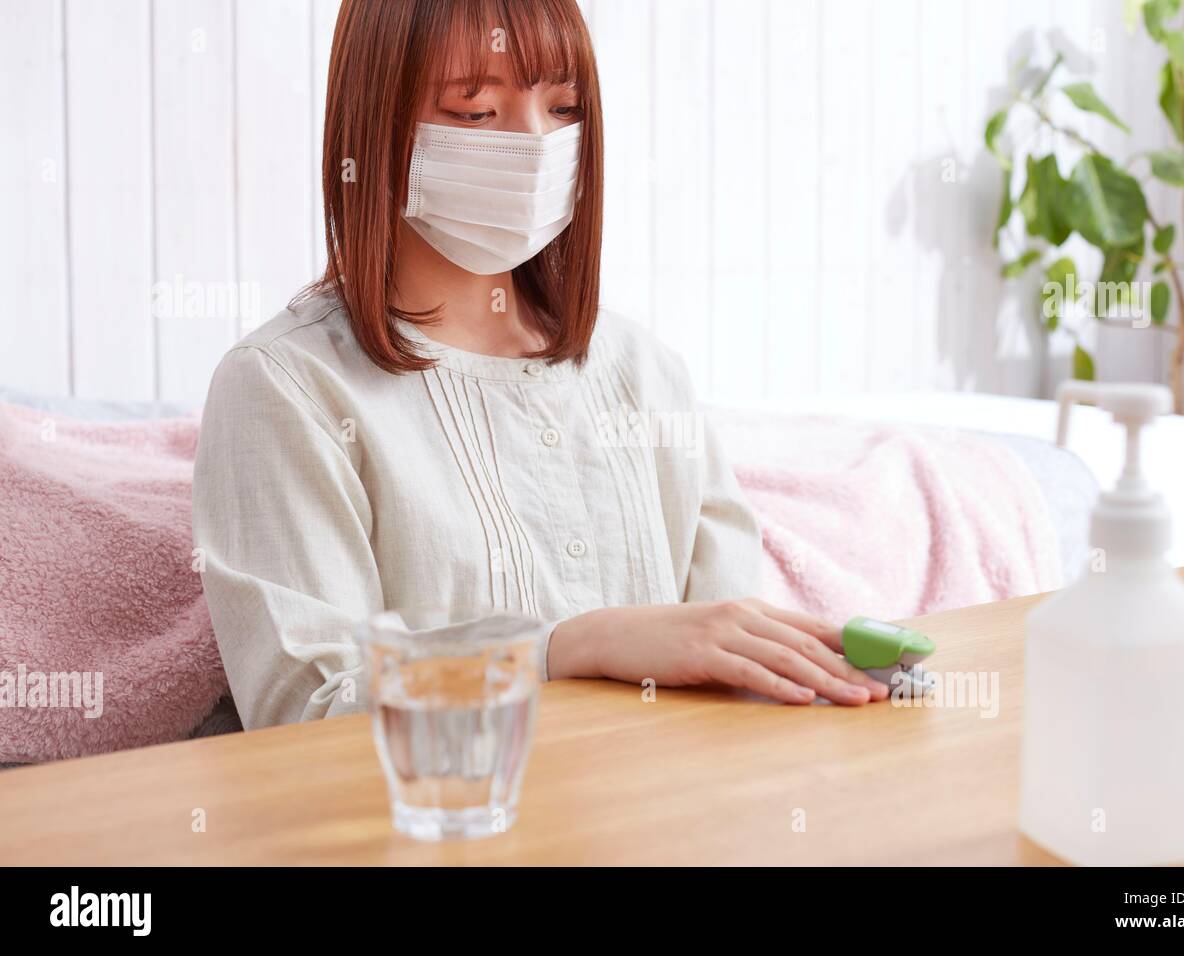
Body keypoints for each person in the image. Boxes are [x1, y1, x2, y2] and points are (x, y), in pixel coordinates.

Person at [192, 0, 887, 730]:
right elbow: (306, 719)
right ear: (374, 125)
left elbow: (726, 667)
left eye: (564, 107)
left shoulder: (646, 375)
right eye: (476, 113)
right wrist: (565, 648)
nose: (534, 146)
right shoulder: (285, 390)